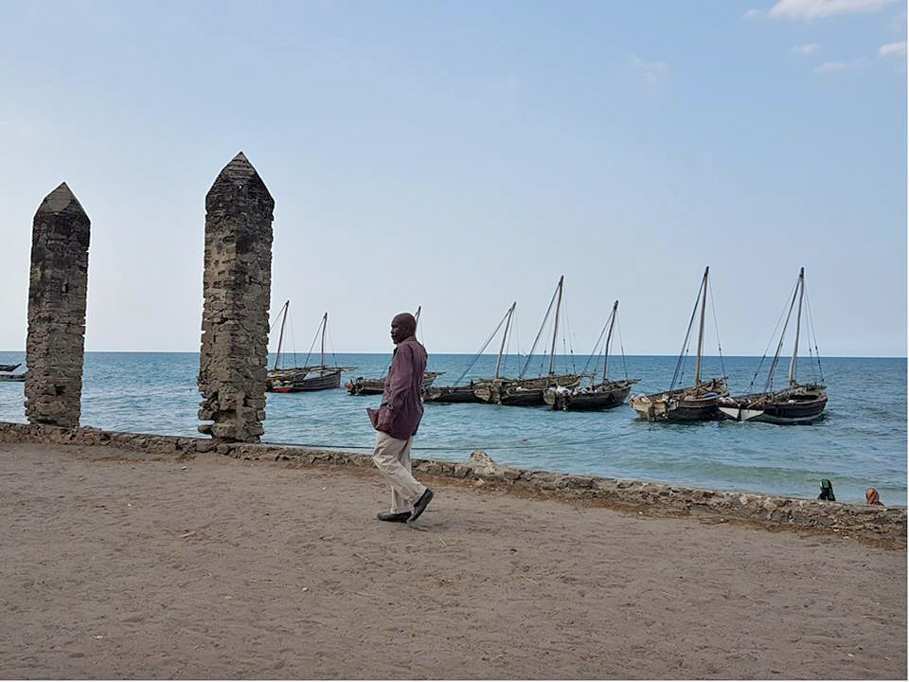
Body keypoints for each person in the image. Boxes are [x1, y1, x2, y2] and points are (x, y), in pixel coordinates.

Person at [369, 312, 433, 524]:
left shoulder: (404, 350)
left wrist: (389, 411)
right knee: (401, 460)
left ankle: (418, 494)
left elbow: (401, 384)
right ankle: (400, 509)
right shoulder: (420, 350)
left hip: (400, 411)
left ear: (407, 328)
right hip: (414, 410)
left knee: (382, 456)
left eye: (395, 327)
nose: (391, 331)